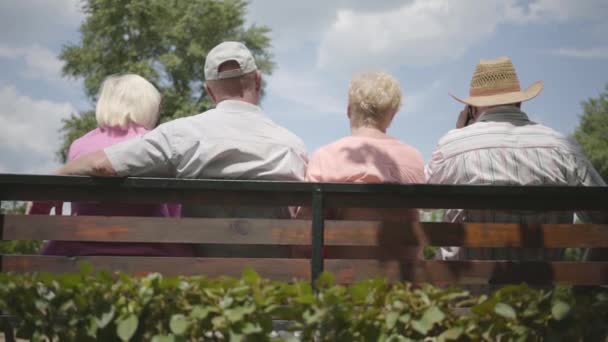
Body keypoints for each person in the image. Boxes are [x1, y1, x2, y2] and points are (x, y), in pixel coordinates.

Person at [55, 41, 307, 221]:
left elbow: (101, 165)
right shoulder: (293, 146)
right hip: (275, 282)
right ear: (258, 80)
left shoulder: (180, 134)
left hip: (199, 283)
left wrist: (57, 176)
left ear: (209, 92)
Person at [425, 56, 606, 261]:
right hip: (538, 289)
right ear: (519, 102)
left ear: (472, 109)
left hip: (463, 289)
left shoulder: (453, 145)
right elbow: (604, 217)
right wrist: (583, 284)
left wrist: (461, 132)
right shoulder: (564, 148)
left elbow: (423, 203)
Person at [30, 74, 194, 256]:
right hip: (149, 251)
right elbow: (174, 212)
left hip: (80, 249)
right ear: (148, 106)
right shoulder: (155, 144)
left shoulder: (80, 145)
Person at [298, 71, 424, 259]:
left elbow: (304, 237)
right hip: (402, 282)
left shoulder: (325, 156)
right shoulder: (413, 158)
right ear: (392, 115)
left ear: (349, 110)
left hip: (340, 280)